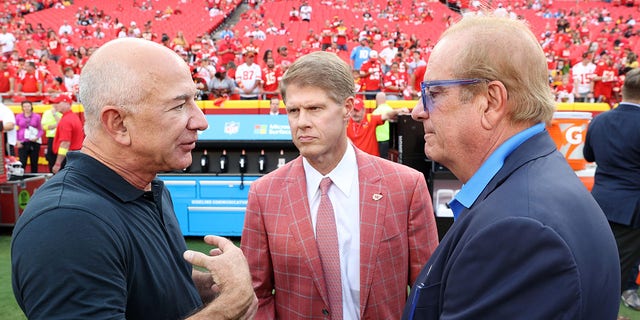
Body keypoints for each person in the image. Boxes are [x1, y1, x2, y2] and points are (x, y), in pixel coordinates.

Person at [12, 38, 257, 319]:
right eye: (179, 106)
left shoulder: (148, 189)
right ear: (118, 124)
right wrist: (228, 308)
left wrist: (211, 288)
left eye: (195, 100)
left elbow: (143, 282)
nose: (200, 121)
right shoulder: (66, 222)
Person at [403, 15, 620, 319]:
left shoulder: (517, 229)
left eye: (434, 93)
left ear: (491, 102)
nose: (418, 111)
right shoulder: (531, 186)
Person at [241, 51, 439, 319]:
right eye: (293, 111)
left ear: (347, 107)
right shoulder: (264, 194)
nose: (302, 122)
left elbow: (426, 291)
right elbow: (257, 295)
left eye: (314, 109)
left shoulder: (406, 186)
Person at [583, 67, 640, 312]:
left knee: (601, 257)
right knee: (616, 267)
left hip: (600, 200)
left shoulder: (599, 120)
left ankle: (626, 290)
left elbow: (588, 156)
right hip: (632, 208)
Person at [49, 94, 84, 174]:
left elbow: (65, 143)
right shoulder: (72, 117)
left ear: (67, 103)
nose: (55, 105)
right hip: (74, 155)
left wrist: (58, 163)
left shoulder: (66, 120)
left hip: (67, 158)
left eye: (58, 103)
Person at [15, 100, 44, 173]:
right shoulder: (18, 116)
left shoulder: (37, 116)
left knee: (34, 162)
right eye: (24, 106)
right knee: (22, 162)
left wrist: (37, 137)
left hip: (34, 142)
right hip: (23, 142)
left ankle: (35, 181)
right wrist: (17, 141)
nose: (26, 108)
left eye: (28, 106)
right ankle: (21, 179)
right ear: (22, 108)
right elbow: (15, 130)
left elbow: (41, 130)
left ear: (31, 107)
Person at [40, 102, 61, 172]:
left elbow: (61, 124)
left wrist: (54, 114)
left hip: (61, 138)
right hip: (51, 138)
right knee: (50, 156)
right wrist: (55, 125)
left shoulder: (62, 112)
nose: (55, 104)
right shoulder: (47, 113)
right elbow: (44, 126)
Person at [371, 92, 394, 159]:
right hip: (389, 138)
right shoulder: (390, 109)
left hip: (378, 139)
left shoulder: (375, 112)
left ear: (376, 100)